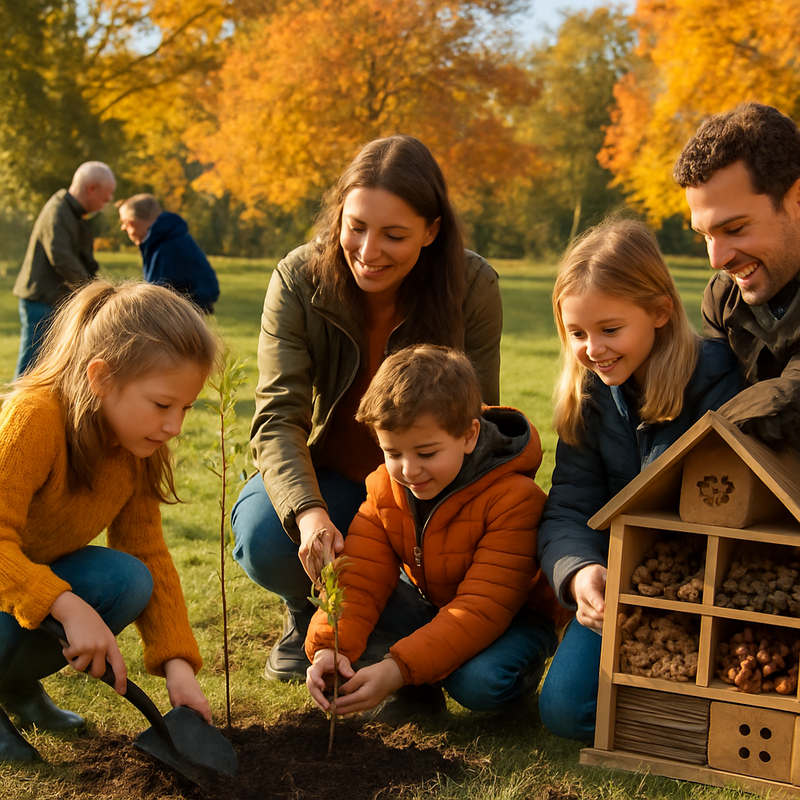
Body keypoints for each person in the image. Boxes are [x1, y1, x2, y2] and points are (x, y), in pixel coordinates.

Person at [230, 134, 503, 683]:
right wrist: (308, 513)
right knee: (264, 532)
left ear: (431, 232)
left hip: (416, 486)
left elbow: (481, 420)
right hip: (328, 478)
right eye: (355, 226)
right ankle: (308, 613)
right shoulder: (298, 279)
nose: (369, 250)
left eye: (394, 234)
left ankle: (385, 629)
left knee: (466, 657)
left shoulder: (472, 286)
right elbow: (277, 415)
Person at [536, 218, 744, 742]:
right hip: (621, 580)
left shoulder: (717, 380)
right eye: (577, 334)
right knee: (564, 711)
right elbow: (568, 505)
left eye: (610, 329)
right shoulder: (588, 396)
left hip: (709, 579)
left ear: (658, 311)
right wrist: (580, 572)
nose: (593, 348)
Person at [0, 279, 220, 764]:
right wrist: (66, 605)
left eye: (185, 407)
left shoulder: (133, 448)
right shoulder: (33, 419)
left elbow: (147, 553)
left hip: (17, 591)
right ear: (101, 379)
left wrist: (178, 664)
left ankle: (14, 683)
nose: (175, 426)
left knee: (125, 579)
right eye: (163, 404)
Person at [305, 344, 563, 721]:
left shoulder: (515, 499)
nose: (409, 470)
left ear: (469, 436)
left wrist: (397, 669)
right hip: (434, 602)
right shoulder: (384, 489)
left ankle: (517, 670)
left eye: (426, 453)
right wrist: (333, 647)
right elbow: (359, 578)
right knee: (374, 606)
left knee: (480, 682)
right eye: (393, 453)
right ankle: (423, 674)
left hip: (512, 617)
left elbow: (482, 609)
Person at [673, 102, 800, 449]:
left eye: (736, 228)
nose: (716, 259)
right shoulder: (723, 298)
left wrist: (711, 425)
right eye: (706, 236)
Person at [12, 162, 116, 379]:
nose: (106, 204)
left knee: (49, 366)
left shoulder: (74, 214)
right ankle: (12, 410)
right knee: (31, 366)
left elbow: (83, 259)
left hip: (56, 300)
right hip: (42, 300)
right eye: (105, 198)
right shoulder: (58, 211)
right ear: (91, 189)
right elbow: (61, 257)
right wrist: (91, 290)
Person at [118, 194, 220, 314]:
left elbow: (160, 296)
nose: (123, 228)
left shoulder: (168, 245)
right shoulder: (162, 239)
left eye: (126, 222)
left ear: (134, 222)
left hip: (180, 319)